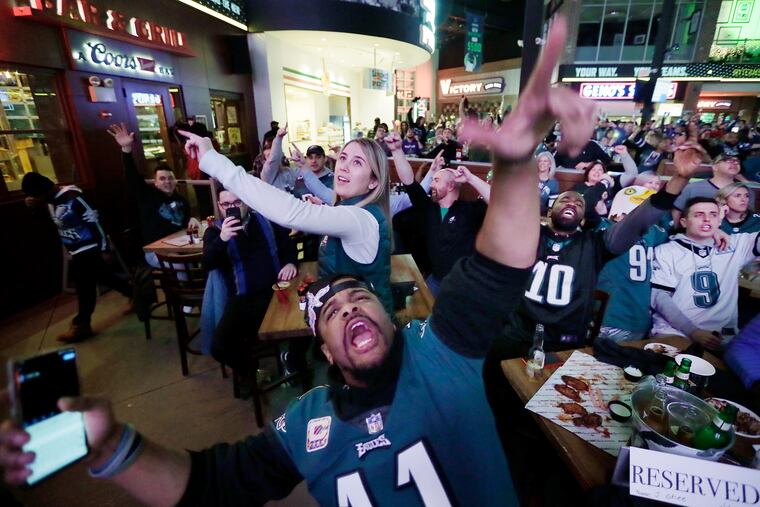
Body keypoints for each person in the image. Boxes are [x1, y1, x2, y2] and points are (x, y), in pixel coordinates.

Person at [0, 19, 596, 504]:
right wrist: (110, 451)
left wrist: (518, 163)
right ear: (327, 352)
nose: (345, 302)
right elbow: (211, 486)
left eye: (358, 161)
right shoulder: (308, 423)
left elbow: (498, 264)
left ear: (396, 320)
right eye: (328, 309)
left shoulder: (434, 346)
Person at [181, 132, 395, 315]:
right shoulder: (352, 210)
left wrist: (213, 159)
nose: (344, 167)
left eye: (357, 162)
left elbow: (290, 211)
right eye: (343, 158)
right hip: (352, 323)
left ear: (374, 181)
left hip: (366, 333)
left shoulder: (360, 218)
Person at [21, 173, 132, 343]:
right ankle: (139, 295)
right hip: (75, 249)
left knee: (84, 286)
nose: (34, 199)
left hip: (89, 247)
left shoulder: (74, 197)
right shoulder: (49, 202)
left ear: (44, 192)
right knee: (105, 277)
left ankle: (82, 324)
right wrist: (35, 207)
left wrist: (104, 248)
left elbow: (95, 221)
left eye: (36, 196)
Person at [203, 189, 298, 373]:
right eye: (226, 205)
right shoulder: (214, 231)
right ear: (220, 207)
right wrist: (223, 239)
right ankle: (250, 370)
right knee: (219, 347)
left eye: (237, 202)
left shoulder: (266, 220)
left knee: (310, 316)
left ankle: (292, 359)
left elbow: (288, 245)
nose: (232, 208)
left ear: (246, 201)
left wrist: (290, 262)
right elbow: (208, 263)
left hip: (277, 292)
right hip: (242, 300)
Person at [650, 196, 759, 349]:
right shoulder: (667, 251)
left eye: (713, 215)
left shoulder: (736, 244)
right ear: (684, 222)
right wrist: (693, 331)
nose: (707, 219)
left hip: (722, 339)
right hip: (675, 333)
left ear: (720, 221)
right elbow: (659, 297)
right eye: (699, 215)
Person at [391, 134, 490, 295]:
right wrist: (396, 150)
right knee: (416, 313)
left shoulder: (470, 210)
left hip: (464, 286)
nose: (431, 184)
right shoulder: (429, 209)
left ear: (450, 186)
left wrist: (471, 178)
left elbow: (499, 203)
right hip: (434, 282)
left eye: (436, 180)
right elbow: (409, 181)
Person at [107, 123, 201, 267]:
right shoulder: (147, 196)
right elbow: (132, 176)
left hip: (180, 248)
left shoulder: (182, 201)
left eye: (170, 178)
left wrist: (193, 219)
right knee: (181, 265)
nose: (167, 182)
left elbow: (187, 225)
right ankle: (180, 289)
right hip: (156, 252)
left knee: (205, 258)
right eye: (162, 179)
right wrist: (126, 149)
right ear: (155, 182)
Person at [672, 153, 756, 224]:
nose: (734, 163)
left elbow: (749, 217)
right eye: (728, 160)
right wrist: (675, 230)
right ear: (715, 166)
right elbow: (677, 211)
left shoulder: (747, 191)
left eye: (737, 161)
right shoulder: (693, 187)